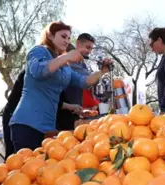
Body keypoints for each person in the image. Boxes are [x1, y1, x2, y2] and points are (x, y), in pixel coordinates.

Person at [9, 21, 112, 152]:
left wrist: (102, 71)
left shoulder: (65, 66)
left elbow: (84, 82)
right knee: (26, 167)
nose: (67, 41)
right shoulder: (38, 51)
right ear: (50, 35)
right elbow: (38, 70)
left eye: (69, 38)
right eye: (63, 36)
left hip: (48, 127)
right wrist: (67, 56)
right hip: (27, 123)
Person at [56, 33, 98, 130]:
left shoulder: (82, 64)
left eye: (91, 49)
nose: (89, 51)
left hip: (74, 110)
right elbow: (87, 81)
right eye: (87, 47)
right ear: (78, 44)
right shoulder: (70, 64)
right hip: (62, 114)